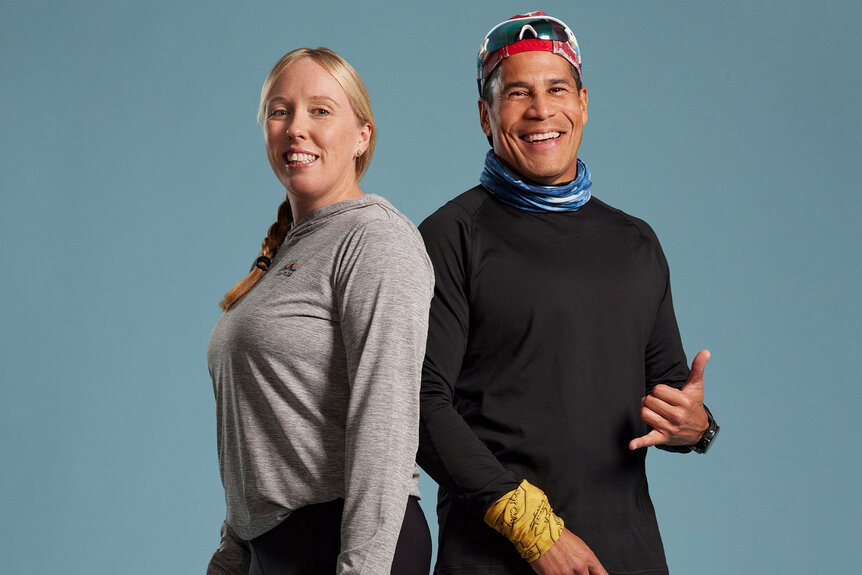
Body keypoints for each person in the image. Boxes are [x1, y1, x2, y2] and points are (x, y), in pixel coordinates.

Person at [417, 12, 719, 575]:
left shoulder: (634, 242)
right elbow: (419, 405)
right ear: (485, 116)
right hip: (494, 558)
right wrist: (535, 531)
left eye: (557, 89)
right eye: (518, 93)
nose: (541, 110)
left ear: (582, 103)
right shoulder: (451, 236)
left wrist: (696, 427)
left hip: (625, 556)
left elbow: (668, 397)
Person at [206, 47, 434, 575]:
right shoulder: (287, 251)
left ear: (362, 136)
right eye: (280, 111)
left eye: (320, 110)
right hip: (275, 550)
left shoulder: (374, 238)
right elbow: (258, 441)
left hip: (352, 545)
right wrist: (233, 556)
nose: (295, 128)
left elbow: (386, 425)